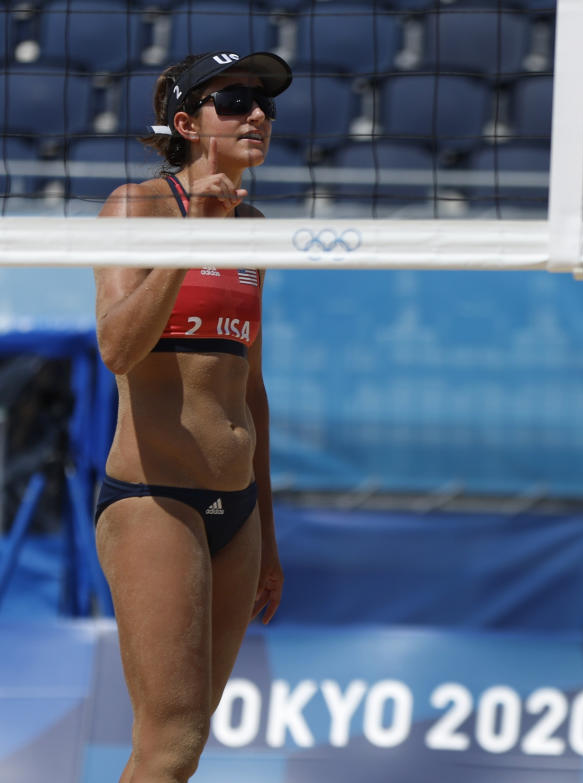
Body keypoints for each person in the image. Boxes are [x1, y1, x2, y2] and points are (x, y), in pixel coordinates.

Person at [92, 50, 292, 783]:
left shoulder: (256, 226)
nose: (258, 114)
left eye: (264, 102)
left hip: (233, 513)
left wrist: (267, 532)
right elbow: (117, 346)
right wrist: (192, 234)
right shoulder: (136, 206)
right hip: (155, 501)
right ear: (186, 124)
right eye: (235, 100)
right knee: (168, 742)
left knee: (184, 747)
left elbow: (252, 390)